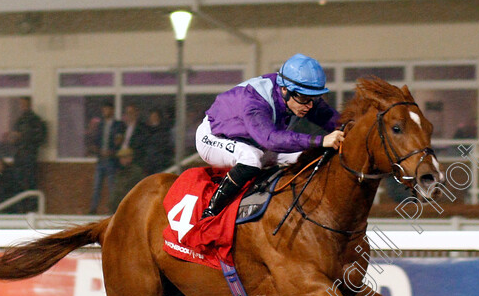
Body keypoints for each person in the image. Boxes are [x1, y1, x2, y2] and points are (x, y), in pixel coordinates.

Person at [195, 53, 344, 218]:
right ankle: (211, 212)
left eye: (314, 98)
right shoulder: (255, 101)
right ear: (284, 89)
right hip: (215, 137)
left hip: (255, 141)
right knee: (252, 158)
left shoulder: (296, 93)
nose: (309, 105)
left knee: (307, 157)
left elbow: (335, 120)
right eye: (303, 98)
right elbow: (271, 140)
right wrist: (321, 140)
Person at [88, 101, 124, 214]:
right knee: (97, 186)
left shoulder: (118, 125)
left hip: (111, 160)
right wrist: (97, 150)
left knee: (111, 186)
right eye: (104, 109)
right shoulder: (101, 125)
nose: (105, 111)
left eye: (107, 109)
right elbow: (96, 140)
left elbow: (119, 140)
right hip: (101, 159)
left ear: (112, 110)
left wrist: (112, 151)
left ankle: (113, 209)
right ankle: (93, 208)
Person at [12, 97, 47, 212]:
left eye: (24, 103)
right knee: (19, 182)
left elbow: (38, 138)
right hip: (20, 156)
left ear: (29, 104)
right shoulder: (19, 120)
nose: (23, 106)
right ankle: (21, 207)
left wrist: (24, 137)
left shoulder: (35, 120)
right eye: (21, 104)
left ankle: (31, 207)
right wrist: (14, 138)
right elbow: (14, 137)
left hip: (29, 156)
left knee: (30, 181)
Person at [109, 147, 145, 212]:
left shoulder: (135, 172)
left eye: (124, 157)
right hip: (120, 206)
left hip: (130, 206)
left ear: (130, 158)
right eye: (121, 158)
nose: (121, 160)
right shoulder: (121, 172)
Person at [120, 104, 150, 175]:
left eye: (131, 112)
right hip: (123, 164)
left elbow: (141, 144)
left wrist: (130, 155)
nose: (129, 115)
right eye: (127, 113)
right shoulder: (123, 127)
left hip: (136, 162)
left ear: (136, 113)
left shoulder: (142, 128)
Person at [145, 108, 173, 175]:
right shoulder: (145, 130)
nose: (153, 118)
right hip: (149, 162)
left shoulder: (164, 130)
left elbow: (165, 146)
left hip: (160, 162)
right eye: (152, 116)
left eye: (155, 116)